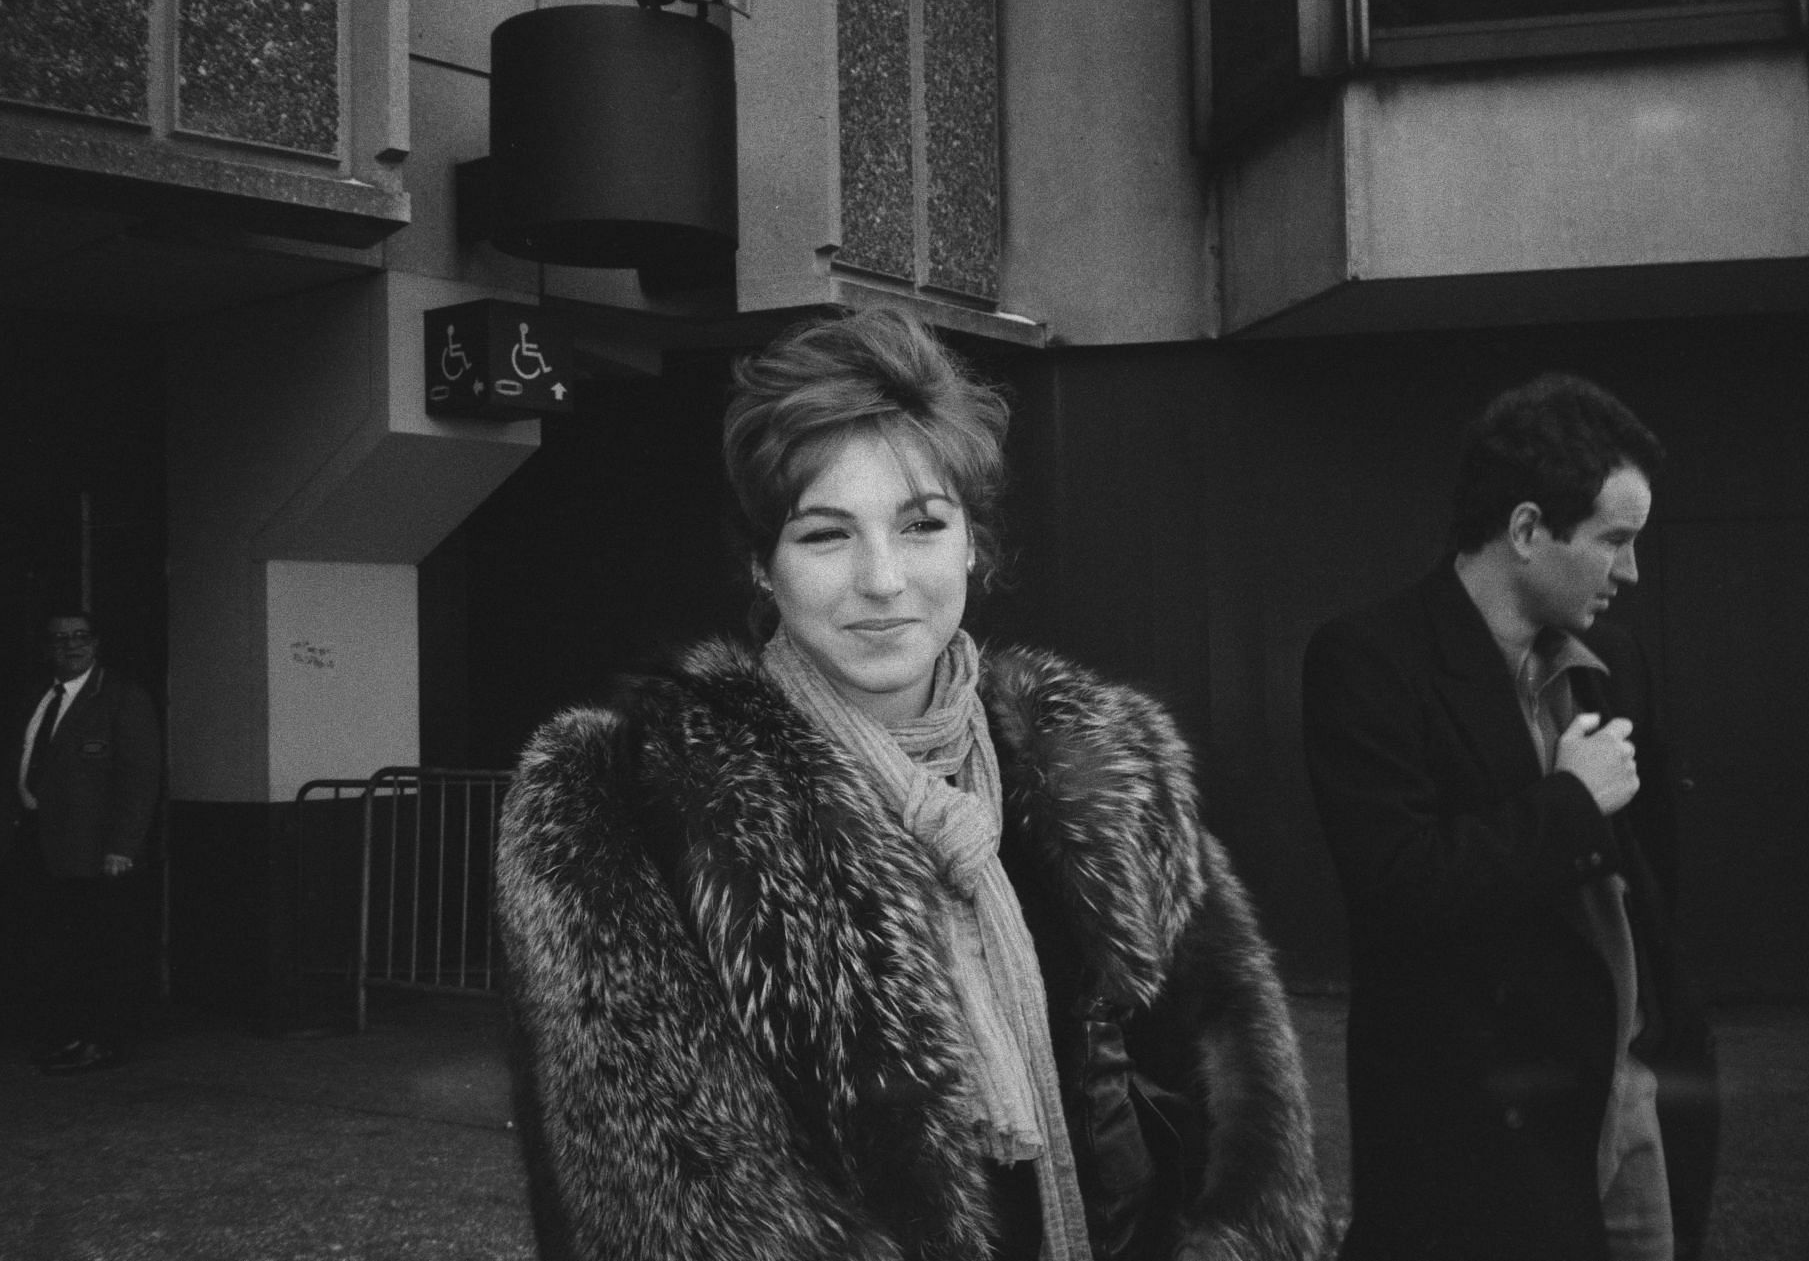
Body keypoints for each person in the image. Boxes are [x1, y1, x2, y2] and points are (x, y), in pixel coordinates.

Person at [495, 309, 1329, 1261]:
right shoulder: (633, 806)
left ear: (973, 543)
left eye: (921, 523)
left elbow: (1232, 1098)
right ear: (761, 566)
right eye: (824, 534)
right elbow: (668, 1208)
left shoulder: (1099, 766)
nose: (883, 579)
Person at [1301, 374, 1720, 1261]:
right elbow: (1398, 886)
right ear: (1527, 529)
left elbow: (1650, 884)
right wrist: (1569, 802)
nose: (1633, 570)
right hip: (1480, 1140)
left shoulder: (1615, 658)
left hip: (1632, 1104)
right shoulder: (1368, 660)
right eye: (1616, 539)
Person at [2, 609, 163, 1074]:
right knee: (51, 947)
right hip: (34, 841)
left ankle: (102, 1041)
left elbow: (139, 777)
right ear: (46, 647)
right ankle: (68, 1036)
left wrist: (123, 846)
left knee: (99, 949)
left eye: (79, 637)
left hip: (95, 849)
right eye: (59, 639)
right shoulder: (33, 696)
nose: (69, 645)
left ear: (96, 643)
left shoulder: (120, 697)